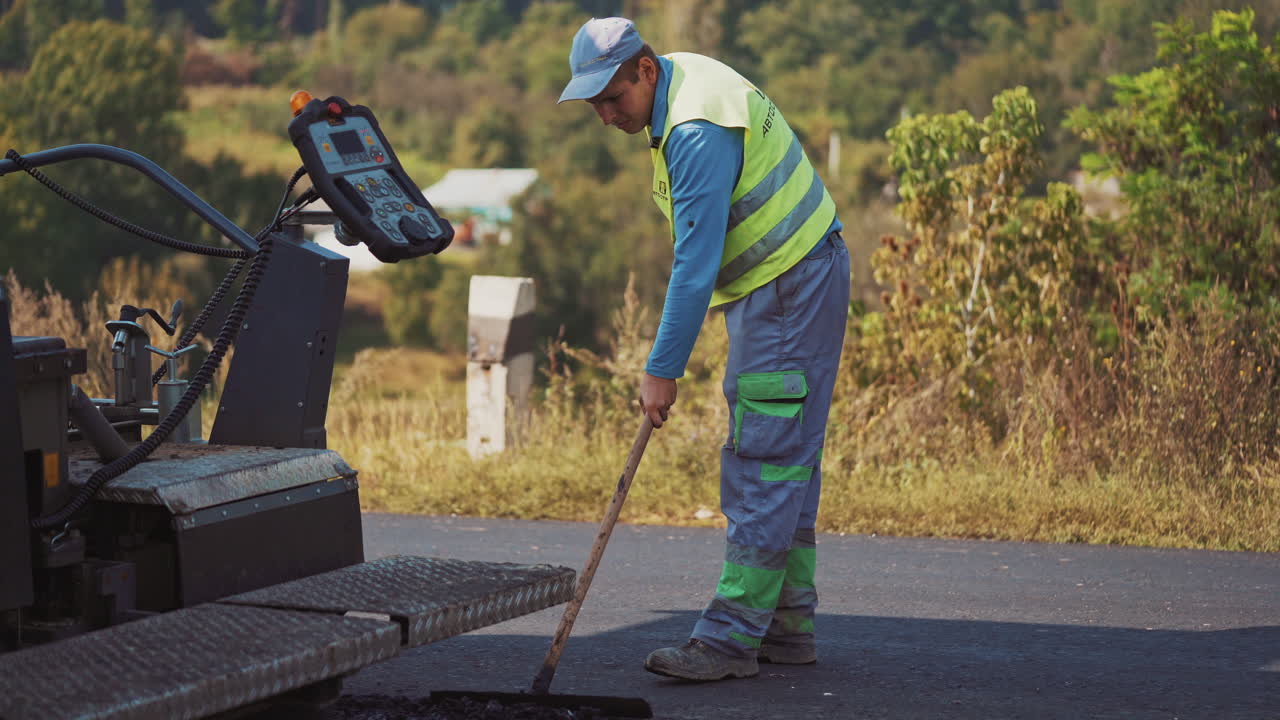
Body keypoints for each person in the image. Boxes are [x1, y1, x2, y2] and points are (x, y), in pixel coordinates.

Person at [558, 17, 851, 682]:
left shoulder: (692, 129)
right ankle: (786, 626)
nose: (605, 115)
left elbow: (694, 265)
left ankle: (729, 640)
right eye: (595, 104)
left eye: (614, 97)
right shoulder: (683, 88)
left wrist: (662, 371)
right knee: (788, 464)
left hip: (788, 286)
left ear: (646, 70)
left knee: (765, 462)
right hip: (799, 274)